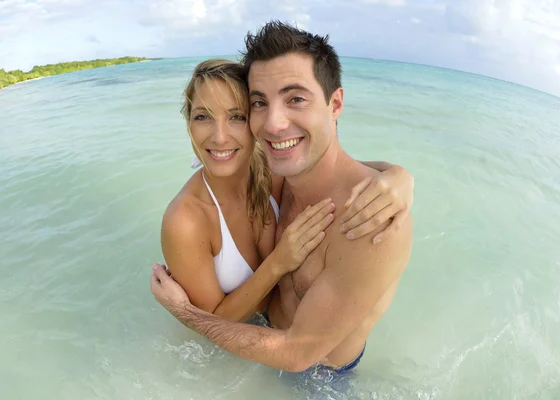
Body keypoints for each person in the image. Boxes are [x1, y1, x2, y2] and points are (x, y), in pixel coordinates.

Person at [151, 22, 413, 376]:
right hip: (258, 341)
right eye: (260, 103)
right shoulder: (283, 171)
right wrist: (396, 173)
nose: (274, 124)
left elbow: (296, 354)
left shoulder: (369, 219)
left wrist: (184, 313)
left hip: (319, 377)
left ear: (335, 103)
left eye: (296, 98)